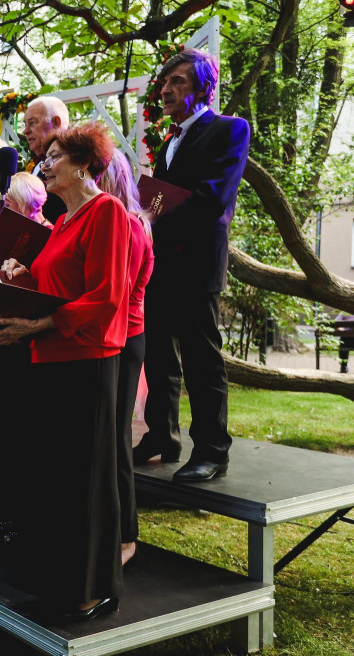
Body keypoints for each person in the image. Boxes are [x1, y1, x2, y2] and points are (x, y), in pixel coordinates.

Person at [0, 122, 130, 622]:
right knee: (53, 479)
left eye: (53, 157)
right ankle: (56, 580)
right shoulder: (63, 220)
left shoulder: (106, 212)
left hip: (86, 360)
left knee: (83, 481)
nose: (43, 165)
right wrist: (20, 278)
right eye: (44, 158)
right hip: (50, 358)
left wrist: (39, 323)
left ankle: (90, 590)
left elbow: (106, 295)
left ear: (83, 163)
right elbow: (56, 282)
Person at [133, 48, 251, 482]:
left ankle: (212, 450)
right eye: (165, 82)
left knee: (202, 359)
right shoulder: (168, 143)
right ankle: (161, 437)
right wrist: (144, 218)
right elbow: (160, 199)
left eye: (178, 81)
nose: (166, 89)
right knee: (158, 356)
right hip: (160, 263)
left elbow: (213, 198)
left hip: (198, 261)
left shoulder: (230, 130)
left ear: (203, 87)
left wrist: (152, 220)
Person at [0, 171, 50, 530]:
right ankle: (3, 506)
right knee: (4, 427)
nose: (3, 206)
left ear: (26, 202)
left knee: (25, 429)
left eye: (9, 201)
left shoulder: (48, 235)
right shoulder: (3, 233)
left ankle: (24, 510)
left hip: (28, 343)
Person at [99, 149, 154, 567]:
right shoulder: (108, 218)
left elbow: (117, 291)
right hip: (108, 337)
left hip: (123, 337)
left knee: (117, 438)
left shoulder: (130, 224)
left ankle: (126, 534)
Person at [22, 96, 70, 223]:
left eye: (32, 123)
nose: (25, 131)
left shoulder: (73, 161)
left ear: (56, 122)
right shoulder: (37, 165)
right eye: (25, 124)